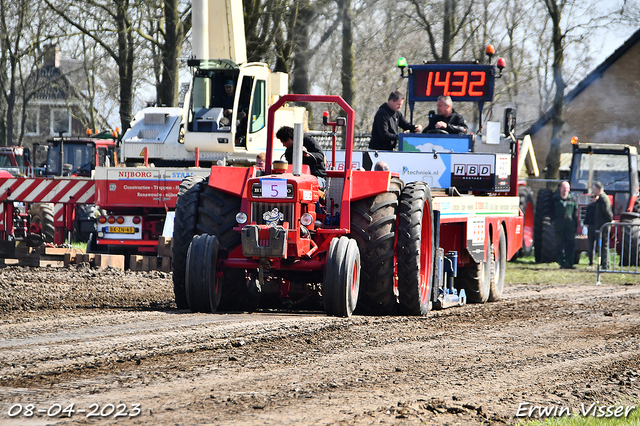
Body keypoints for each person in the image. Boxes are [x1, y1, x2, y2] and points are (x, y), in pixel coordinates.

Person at [587, 181, 613, 268]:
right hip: (600, 225)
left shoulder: (603, 198)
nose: (593, 191)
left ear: (597, 189)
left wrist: (610, 220)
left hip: (603, 225)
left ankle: (605, 264)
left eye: (594, 189)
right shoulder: (601, 198)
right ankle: (603, 263)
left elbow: (607, 211)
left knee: (604, 245)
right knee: (601, 245)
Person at [553, 181, 578, 268]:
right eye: (564, 188)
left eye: (567, 188)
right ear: (560, 188)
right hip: (559, 226)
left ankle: (569, 263)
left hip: (570, 227)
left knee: (570, 244)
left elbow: (575, 213)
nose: (565, 190)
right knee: (559, 245)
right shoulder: (555, 199)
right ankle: (561, 262)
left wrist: (575, 224)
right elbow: (550, 212)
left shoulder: (572, 199)